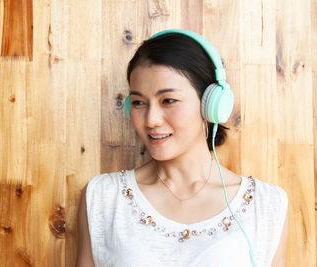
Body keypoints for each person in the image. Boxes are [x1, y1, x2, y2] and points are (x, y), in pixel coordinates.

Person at [76, 29, 289, 267]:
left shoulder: (266, 204)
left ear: (211, 105)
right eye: (138, 103)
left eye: (168, 100)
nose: (151, 119)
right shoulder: (103, 197)